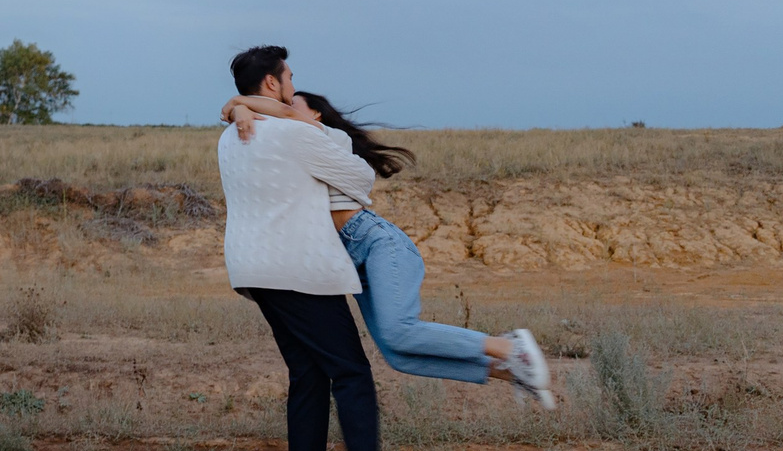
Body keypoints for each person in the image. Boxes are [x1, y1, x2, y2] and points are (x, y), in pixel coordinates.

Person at [223, 76, 554, 407]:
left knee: (401, 331)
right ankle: (509, 370)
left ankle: (510, 347)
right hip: (351, 258)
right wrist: (241, 111)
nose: (283, 111)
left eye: (291, 105)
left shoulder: (322, 135)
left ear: (316, 116)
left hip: (376, 241)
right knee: (399, 356)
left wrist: (238, 104)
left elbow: (282, 114)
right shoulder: (292, 145)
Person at [215, 44, 423, 451]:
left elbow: (243, 117)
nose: (292, 86)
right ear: (272, 83)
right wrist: (313, 125)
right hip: (300, 269)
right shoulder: (295, 134)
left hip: (253, 271)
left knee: (308, 372)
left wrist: (241, 106)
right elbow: (359, 178)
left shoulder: (230, 136)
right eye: (287, 79)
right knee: (350, 372)